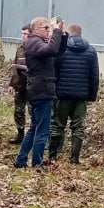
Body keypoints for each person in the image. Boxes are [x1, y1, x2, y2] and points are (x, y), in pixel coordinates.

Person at [13, 17, 66, 169]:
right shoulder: (35, 42)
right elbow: (51, 49)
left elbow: (58, 51)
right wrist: (56, 31)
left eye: (49, 29)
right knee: (42, 130)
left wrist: (61, 34)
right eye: (46, 28)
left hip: (40, 89)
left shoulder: (35, 42)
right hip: (42, 90)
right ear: (36, 29)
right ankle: (37, 163)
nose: (48, 31)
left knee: (34, 127)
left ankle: (21, 159)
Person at [48, 23, 99, 165]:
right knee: (78, 127)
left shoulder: (61, 49)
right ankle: (75, 158)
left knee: (57, 125)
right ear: (81, 34)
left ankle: (53, 155)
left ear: (68, 34)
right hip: (81, 97)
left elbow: (54, 72)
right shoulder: (91, 51)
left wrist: (53, 91)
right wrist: (91, 96)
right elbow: (94, 76)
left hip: (62, 95)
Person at [8, 23, 31, 145]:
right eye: (22, 34)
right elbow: (15, 66)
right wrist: (12, 84)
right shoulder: (20, 48)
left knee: (32, 111)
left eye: (26, 34)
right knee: (18, 111)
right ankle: (20, 134)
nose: (23, 36)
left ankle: (33, 135)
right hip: (20, 85)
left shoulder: (34, 48)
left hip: (32, 86)